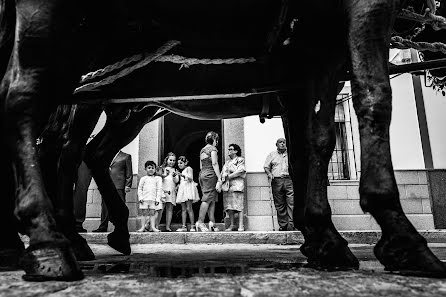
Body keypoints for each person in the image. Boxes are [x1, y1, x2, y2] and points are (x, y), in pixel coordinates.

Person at [93, 150, 133, 232]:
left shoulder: (126, 156)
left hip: (119, 185)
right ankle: (103, 227)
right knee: (104, 207)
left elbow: (129, 172)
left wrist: (128, 185)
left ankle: (121, 227)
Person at [264, 138, 295, 231]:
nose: (282, 144)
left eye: (284, 142)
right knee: (279, 204)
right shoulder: (271, 155)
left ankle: (291, 224)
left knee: (291, 202)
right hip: (277, 180)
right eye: (280, 142)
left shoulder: (291, 154)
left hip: (289, 180)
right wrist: (269, 174)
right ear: (276, 144)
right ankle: (283, 225)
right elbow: (266, 166)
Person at [196, 131, 222, 232]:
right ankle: (200, 222)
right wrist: (219, 178)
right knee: (207, 199)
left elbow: (201, 166)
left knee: (211, 199)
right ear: (215, 140)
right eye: (217, 140)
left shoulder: (202, 150)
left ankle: (212, 223)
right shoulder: (213, 149)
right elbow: (215, 163)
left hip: (203, 174)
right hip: (211, 174)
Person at [221, 144, 246, 232]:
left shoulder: (240, 160)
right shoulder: (227, 162)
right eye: (228, 149)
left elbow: (240, 171)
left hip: (237, 185)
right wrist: (223, 178)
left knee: (239, 206)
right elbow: (223, 172)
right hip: (228, 186)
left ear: (236, 151)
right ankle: (232, 225)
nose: (229, 151)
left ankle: (241, 225)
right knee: (229, 206)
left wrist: (229, 176)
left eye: (231, 149)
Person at [175, 156, 200, 232]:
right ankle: (184, 226)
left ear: (185, 162)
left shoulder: (189, 168)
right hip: (183, 189)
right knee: (183, 209)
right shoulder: (182, 171)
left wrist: (181, 175)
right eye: (178, 163)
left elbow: (190, 178)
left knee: (189, 208)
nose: (179, 165)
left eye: (181, 163)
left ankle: (192, 226)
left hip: (188, 189)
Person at [137, 160, 162, 232]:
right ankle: (142, 227)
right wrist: (140, 198)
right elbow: (140, 188)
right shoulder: (143, 178)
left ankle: (153, 227)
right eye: (149, 168)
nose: (151, 169)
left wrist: (157, 199)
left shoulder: (157, 179)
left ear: (155, 169)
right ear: (145, 169)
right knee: (144, 213)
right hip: (144, 199)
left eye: (153, 168)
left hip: (153, 199)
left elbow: (158, 189)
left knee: (152, 213)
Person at [159, 152, 179, 232]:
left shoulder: (175, 170)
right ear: (167, 159)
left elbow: (177, 181)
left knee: (169, 209)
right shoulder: (162, 168)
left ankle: (168, 226)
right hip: (163, 190)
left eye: (174, 160)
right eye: (170, 160)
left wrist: (174, 176)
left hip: (171, 190)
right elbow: (158, 178)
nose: (172, 162)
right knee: (160, 208)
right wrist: (163, 175)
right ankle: (155, 225)